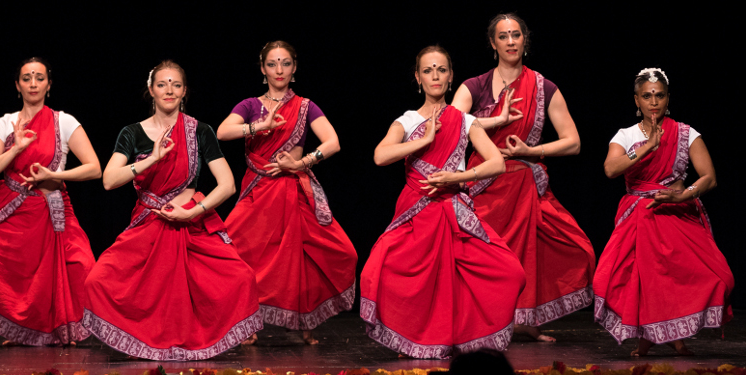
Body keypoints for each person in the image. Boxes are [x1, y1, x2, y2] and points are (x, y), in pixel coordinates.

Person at [82, 60, 261, 361]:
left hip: (190, 223)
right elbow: (110, 180)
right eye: (162, 84)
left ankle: (201, 340)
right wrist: (152, 159)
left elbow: (227, 185)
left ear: (184, 91)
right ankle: (143, 341)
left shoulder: (200, 131)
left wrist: (194, 212)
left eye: (176, 85)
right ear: (151, 90)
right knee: (97, 281)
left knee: (241, 277)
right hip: (148, 224)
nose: (169, 90)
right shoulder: (132, 133)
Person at [361, 46, 525, 359]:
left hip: (455, 213)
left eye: (441, 70)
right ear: (418, 78)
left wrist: (456, 178)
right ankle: (411, 339)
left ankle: (462, 338)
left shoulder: (464, 121)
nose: (435, 76)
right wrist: (423, 140)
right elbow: (380, 156)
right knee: (378, 273)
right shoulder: (407, 121)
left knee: (510, 272)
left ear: (450, 78)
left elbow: (496, 163)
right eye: (428, 70)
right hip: (415, 214)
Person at [450, 13, 594, 342]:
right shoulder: (474, 86)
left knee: (570, 249)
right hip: (484, 184)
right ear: (493, 43)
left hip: (525, 183)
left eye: (516, 35)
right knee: (482, 256)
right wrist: (497, 119)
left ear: (524, 40)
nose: (511, 41)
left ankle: (525, 319)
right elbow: (451, 123)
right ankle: (478, 321)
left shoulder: (543, 87)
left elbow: (573, 142)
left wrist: (530, 151)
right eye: (504, 36)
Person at [215, 41, 356, 345]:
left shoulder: (306, 106)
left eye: (286, 63)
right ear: (262, 69)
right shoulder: (249, 105)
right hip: (258, 192)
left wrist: (301, 163)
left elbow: (332, 142)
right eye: (272, 64)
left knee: (308, 256)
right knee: (242, 254)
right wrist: (258, 126)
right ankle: (248, 321)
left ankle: (306, 321)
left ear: (294, 69)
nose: (279, 70)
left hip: (294, 190)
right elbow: (223, 132)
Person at [595, 68, 732, 356]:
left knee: (719, 277)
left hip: (677, 212)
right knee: (639, 279)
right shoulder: (626, 135)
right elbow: (610, 169)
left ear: (668, 99)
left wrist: (683, 195)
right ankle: (653, 338)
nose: (653, 102)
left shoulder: (686, 133)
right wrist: (645, 147)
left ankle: (669, 335)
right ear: (637, 101)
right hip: (640, 214)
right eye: (647, 96)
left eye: (659, 96)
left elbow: (709, 177)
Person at [0, 58, 101, 346]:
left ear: (48, 85)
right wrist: (15, 148)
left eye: (39, 78)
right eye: (26, 78)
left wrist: (56, 174)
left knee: (83, 266)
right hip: (13, 213)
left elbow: (94, 168)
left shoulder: (64, 121)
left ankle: (63, 327)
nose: (33, 83)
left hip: (53, 209)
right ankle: (19, 329)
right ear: (18, 85)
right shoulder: (4, 123)